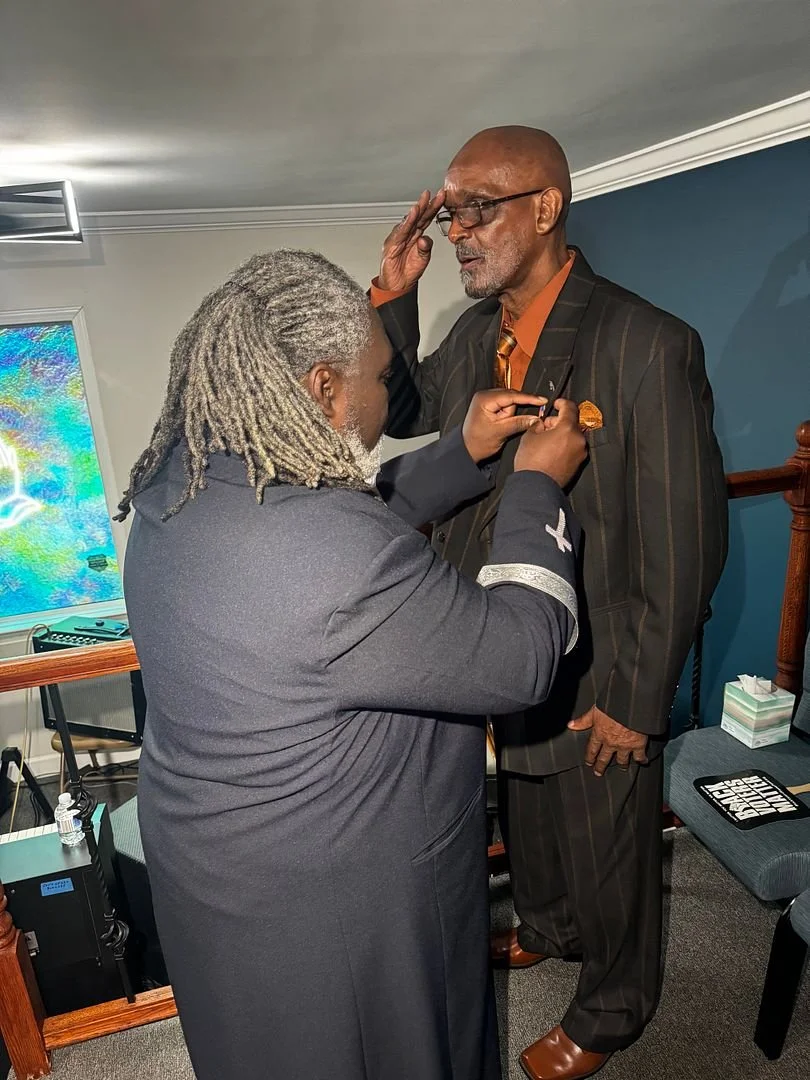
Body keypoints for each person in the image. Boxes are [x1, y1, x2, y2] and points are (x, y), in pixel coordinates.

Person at [118, 248, 588, 1080]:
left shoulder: (176, 484)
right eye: (376, 374)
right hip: (341, 899)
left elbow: (333, 513)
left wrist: (463, 448)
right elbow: (520, 656)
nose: (383, 389)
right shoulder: (335, 557)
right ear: (325, 390)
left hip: (216, 872)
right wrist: (533, 489)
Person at [371, 127, 729, 1080]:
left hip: (603, 660)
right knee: (529, 813)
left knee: (609, 844)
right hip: (496, 634)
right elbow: (403, 416)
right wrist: (396, 298)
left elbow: (687, 535)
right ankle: (548, 924)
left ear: (546, 206)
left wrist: (639, 697)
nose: (458, 231)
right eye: (450, 214)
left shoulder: (648, 343)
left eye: (478, 207)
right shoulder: (469, 335)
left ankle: (613, 1005)